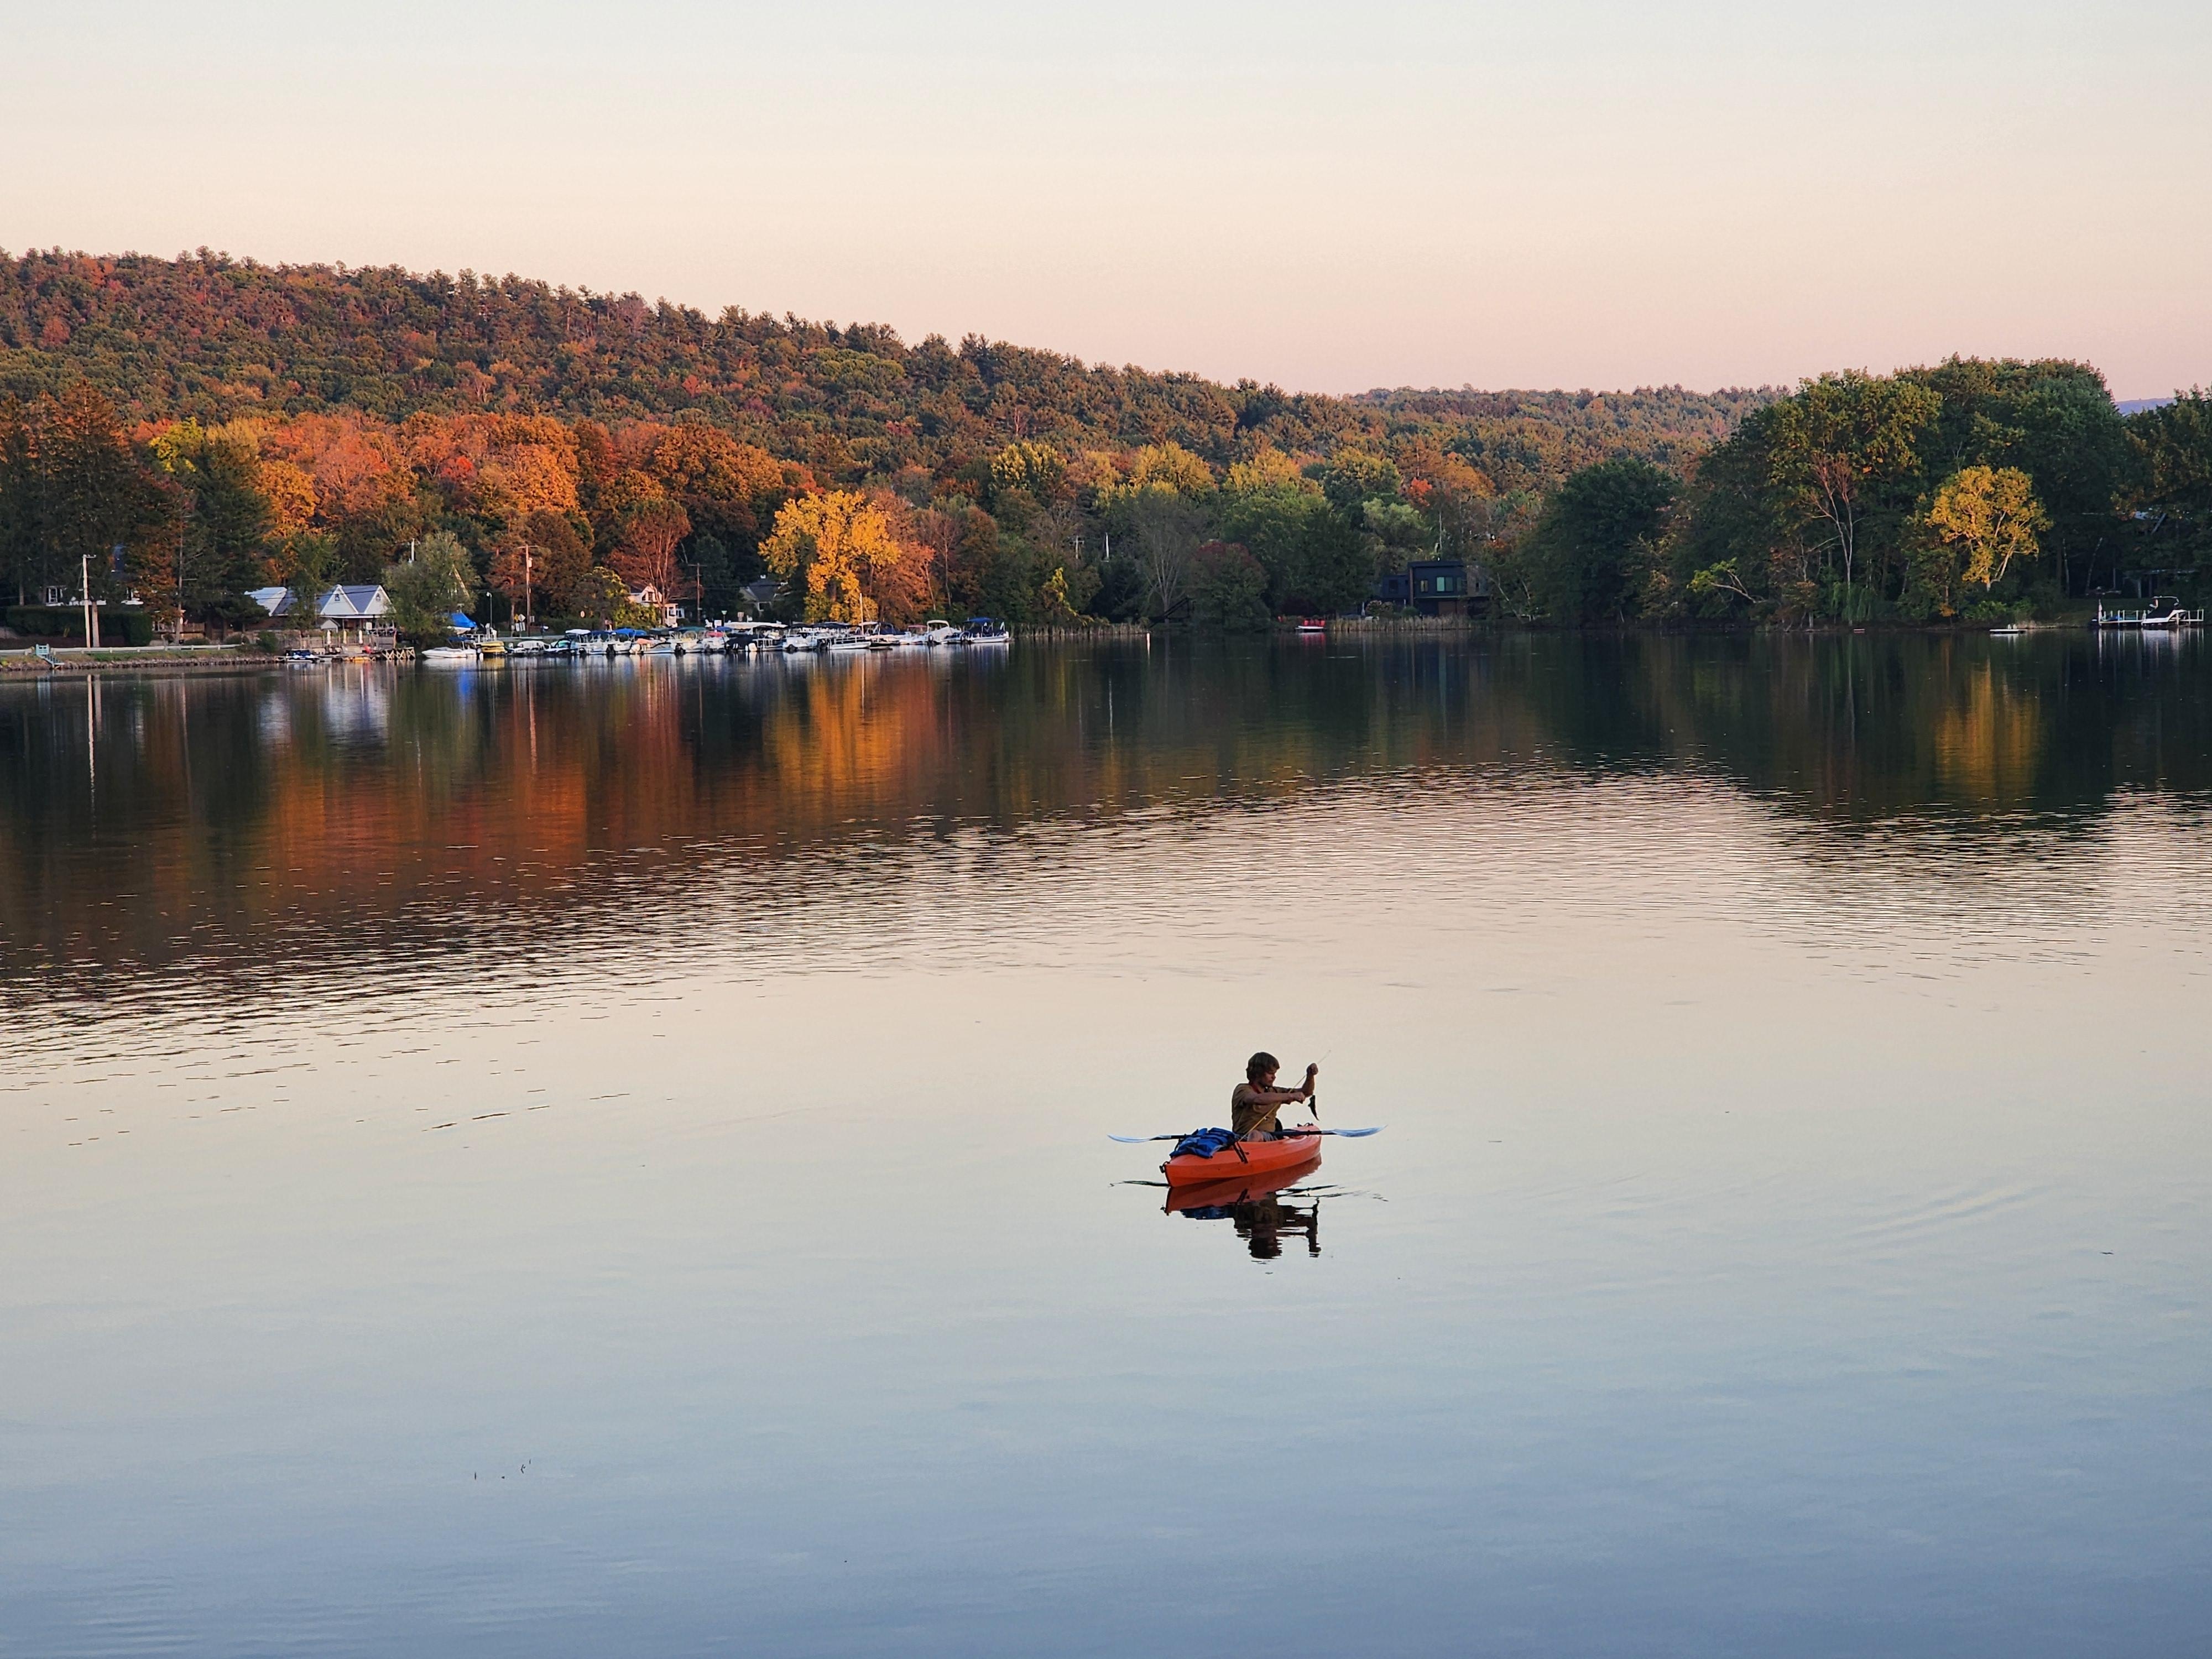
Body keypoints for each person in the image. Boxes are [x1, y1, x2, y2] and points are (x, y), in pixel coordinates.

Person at [1230, 1051, 1317, 1141]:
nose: (1274, 1077)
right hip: (1243, 1137)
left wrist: (1310, 1076)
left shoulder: (1274, 1091)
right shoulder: (1243, 1089)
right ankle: (1248, 1152)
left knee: (1257, 1135)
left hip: (1269, 1136)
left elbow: (1306, 1092)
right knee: (1255, 1134)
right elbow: (1258, 1099)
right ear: (1258, 1073)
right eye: (1270, 1073)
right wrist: (1290, 1096)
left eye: (1275, 1074)